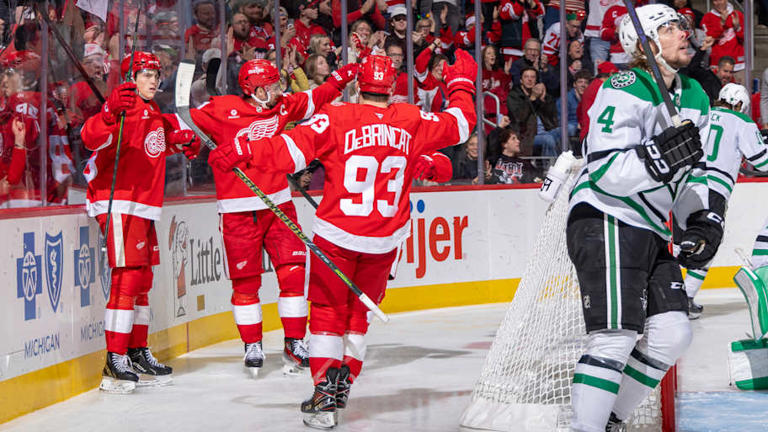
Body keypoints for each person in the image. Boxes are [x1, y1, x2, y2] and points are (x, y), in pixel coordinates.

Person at [207, 51, 477, 429]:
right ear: (392, 87)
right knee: (357, 315)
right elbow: (462, 124)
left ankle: (324, 396)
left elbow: (286, 153)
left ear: (359, 86)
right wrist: (461, 85)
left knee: (327, 313)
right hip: (383, 242)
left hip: (338, 237)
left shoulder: (336, 117)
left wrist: (243, 149)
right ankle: (344, 382)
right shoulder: (412, 118)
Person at [566, 5, 721, 430]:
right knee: (614, 337)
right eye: (670, 28)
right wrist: (658, 158)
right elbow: (605, 170)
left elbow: (693, 171)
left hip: (650, 226)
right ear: (646, 44)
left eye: (681, 26)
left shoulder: (695, 95)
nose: (684, 33)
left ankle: (610, 419)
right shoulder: (626, 85)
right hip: (607, 215)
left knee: (673, 334)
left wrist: (701, 219)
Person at [172, 59, 359, 378]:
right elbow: (179, 123)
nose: (279, 90)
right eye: (272, 86)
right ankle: (252, 344)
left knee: (294, 273)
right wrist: (185, 140)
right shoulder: (223, 109)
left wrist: (339, 80)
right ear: (255, 90)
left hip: (278, 204)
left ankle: (295, 342)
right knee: (246, 282)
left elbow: (314, 98)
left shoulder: (282, 106)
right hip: (237, 211)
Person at [81, 52, 200, 393]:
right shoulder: (121, 108)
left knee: (143, 280)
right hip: (120, 201)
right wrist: (108, 112)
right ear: (130, 78)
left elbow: (151, 148)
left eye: (155, 74)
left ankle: (136, 351)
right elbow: (90, 137)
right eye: (145, 74)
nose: (153, 80)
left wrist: (181, 143)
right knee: (128, 278)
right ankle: (114, 359)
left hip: (144, 205)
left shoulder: (152, 111)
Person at [675, 84, 768, 318]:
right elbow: (762, 161)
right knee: (709, 243)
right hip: (713, 189)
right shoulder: (741, 121)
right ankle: (684, 298)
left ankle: (667, 295)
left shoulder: (703, 113)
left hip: (683, 185)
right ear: (739, 104)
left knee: (680, 243)